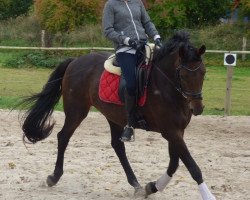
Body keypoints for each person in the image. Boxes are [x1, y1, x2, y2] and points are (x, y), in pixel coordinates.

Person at [102, 0, 162, 142]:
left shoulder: (137, 2)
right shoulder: (111, 5)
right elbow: (108, 30)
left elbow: (147, 22)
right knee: (131, 84)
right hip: (125, 49)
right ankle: (129, 125)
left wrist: (156, 36)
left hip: (144, 46)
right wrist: (127, 40)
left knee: (160, 72)